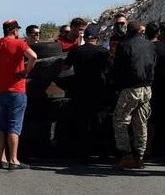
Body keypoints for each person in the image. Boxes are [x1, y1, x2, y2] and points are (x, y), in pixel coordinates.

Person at [0, 19, 37, 170]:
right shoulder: (19, 44)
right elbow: (33, 56)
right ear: (14, 31)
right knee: (14, 126)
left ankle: (2, 158)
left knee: (0, 125)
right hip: (16, 90)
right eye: (18, 30)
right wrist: (25, 72)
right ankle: (14, 160)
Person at [110, 20, 155, 169]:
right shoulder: (149, 44)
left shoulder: (124, 45)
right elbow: (152, 66)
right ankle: (139, 156)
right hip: (146, 88)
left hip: (130, 88)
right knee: (141, 122)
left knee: (120, 120)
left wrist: (118, 87)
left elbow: (118, 68)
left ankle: (126, 155)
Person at [64, 25, 113, 158]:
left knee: (83, 122)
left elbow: (65, 66)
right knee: (100, 122)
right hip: (100, 90)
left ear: (85, 38)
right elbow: (110, 70)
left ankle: (84, 152)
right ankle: (103, 152)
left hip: (80, 90)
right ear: (97, 38)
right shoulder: (103, 52)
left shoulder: (76, 51)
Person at [145, 22, 165, 159]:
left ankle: (148, 150)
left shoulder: (145, 48)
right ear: (159, 33)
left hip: (150, 86)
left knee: (149, 121)